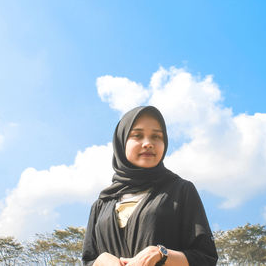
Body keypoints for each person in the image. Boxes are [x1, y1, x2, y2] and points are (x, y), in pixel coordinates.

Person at [82, 106, 218, 266]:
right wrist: (100, 261)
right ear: (121, 141)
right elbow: (88, 259)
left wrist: (162, 254)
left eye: (156, 137)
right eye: (137, 135)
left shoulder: (181, 191)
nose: (148, 143)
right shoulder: (102, 204)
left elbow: (206, 258)